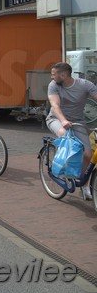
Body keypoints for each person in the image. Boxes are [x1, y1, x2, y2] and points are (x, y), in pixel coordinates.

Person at [46, 62, 97, 201]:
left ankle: (84, 183)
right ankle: (61, 166)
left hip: (77, 122)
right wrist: (63, 120)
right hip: (56, 119)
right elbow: (55, 105)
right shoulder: (54, 85)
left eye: (53, 74)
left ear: (63, 75)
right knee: (66, 137)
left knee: (88, 154)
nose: (51, 77)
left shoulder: (85, 85)